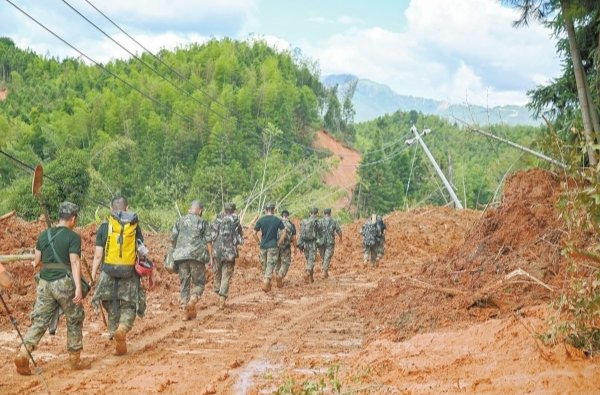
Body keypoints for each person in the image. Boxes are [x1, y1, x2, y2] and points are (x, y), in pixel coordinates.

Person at [14, 202, 91, 375]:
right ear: (73, 219)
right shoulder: (73, 237)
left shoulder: (43, 235)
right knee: (74, 317)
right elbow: (75, 262)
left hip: (44, 283)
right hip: (64, 282)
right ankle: (74, 360)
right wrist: (78, 287)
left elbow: (38, 260)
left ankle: (24, 353)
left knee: (40, 320)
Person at [91, 196, 154, 355]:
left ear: (111, 210)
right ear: (127, 208)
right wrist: (149, 270)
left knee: (109, 302)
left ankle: (114, 333)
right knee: (130, 304)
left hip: (108, 272)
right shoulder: (134, 226)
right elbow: (141, 250)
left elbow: (98, 255)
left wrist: (93, 275)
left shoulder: (105, 227)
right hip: (129, 272)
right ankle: (123, 328)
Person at [171, 200, 213, 320]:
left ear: (190, 209)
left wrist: (175, 251)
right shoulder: (203, 222)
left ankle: (185, 311)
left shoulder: (180, 220)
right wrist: (211, 258)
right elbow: (209, 241)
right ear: (200, 211)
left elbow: (172, 239)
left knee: (184, 284)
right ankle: (193, 299)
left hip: (181, 257)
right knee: (199, 283)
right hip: (197, 256)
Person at [210, 202, 243, 309]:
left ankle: (217, 290)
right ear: (234, 211)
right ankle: (222, 298)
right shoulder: (236, 221)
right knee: (226, 275)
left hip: (217, 251)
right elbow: (240, 238)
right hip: (230, 252)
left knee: (217, 272)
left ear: (224, 210)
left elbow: (211, 235)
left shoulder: (217, 219)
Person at [252, 202, 286, 292]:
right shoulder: (277, 220)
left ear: (265, 210)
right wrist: (279, 242)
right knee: (270, 264)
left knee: (264, 264)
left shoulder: (261, 220)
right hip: (273, 245)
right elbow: (284, 232)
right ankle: (267, 280)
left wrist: (259, 242)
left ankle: (266, 282)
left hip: (263, 245)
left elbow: (254, 233)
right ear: (273, 210)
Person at [274, 209, 297, 287]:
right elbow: (294, 238)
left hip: (276, 246)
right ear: (288, 216)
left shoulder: (277, 223)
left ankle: (277, 274)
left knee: (278, 262)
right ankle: (280, 275)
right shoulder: (291, 224)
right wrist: (295, 248)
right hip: (286, 247)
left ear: (281, 216)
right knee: (286, 263)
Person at [317, 208, 342, 278]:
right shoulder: (334, 221)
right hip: (330, 242)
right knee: (327, 257)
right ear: (330, 213)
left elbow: (316, 231)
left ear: (323, 213)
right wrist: (340, 238)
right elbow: (339, 231)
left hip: (321, 242)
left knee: (324, 257)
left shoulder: (319, 221)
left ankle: (325, 272)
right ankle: (324, 271)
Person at [297, 207, 321, 284]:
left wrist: (300, 246)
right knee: (312, 260)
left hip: (305, 243)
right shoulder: (317, 221)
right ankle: (307, 273)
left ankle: (311, 278)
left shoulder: (304, 221)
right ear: (316, 214)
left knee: (308, 260)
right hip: (312, 243)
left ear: (310, 213)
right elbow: (320, 233)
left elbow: (300, 234)